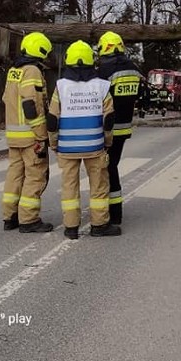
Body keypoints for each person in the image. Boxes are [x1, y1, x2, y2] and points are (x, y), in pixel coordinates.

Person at [47, 41, 121, 239]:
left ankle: (71, 228)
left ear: (68, 60)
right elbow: (108, 121)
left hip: (67, 148)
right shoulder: (102, 86)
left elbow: (52, 120)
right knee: (99, 186)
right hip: (95, 146)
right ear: (92, 61)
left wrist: (54, 144)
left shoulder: (60, 87)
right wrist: (107, 143)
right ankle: (99, 225)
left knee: (69, 187)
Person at [1, 31, 54, 233]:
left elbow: (7, 100)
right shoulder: (32, 71)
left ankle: (10, 216)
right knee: (35, 176)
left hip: (14, 135)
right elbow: (31, 106)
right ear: (40, 50)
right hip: (31, 136)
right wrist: (42, 135)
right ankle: (29, 219)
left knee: (14, 175)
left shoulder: (14, 70)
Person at [95, 31, 142, 225]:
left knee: (105, 169)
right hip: (124, 129)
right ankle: (115, 212)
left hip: (106, 129)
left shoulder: (105, 70)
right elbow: (138, 95)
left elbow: (97, 97)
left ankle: (110, 213)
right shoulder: (133, 68)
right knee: (112, 166)